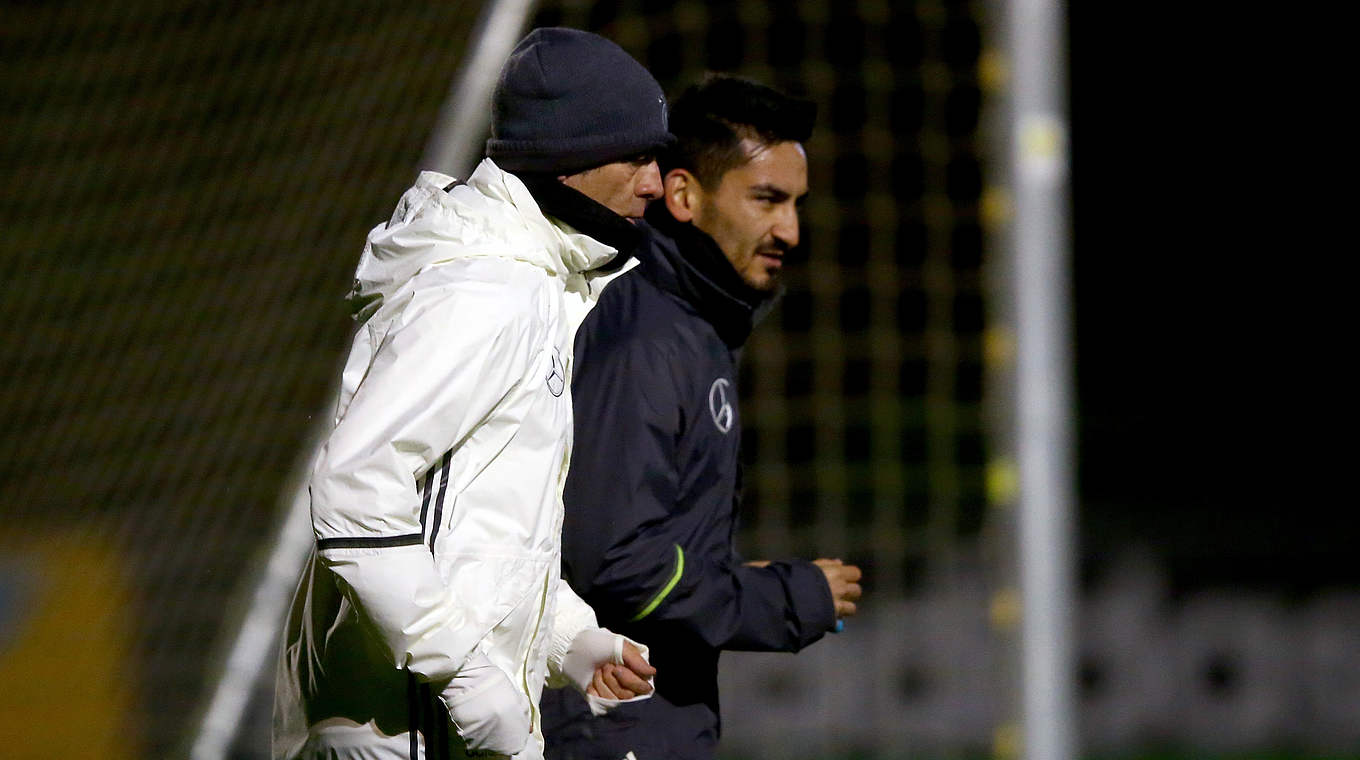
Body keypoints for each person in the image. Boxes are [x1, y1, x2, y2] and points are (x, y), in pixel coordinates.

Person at [273, 28, 677, 760]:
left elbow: (473, 527)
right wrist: (467, 677)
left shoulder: (532, 282)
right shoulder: (487, 289)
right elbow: (355, 486)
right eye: (636, 155)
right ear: (568, 153)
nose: (656, 182)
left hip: (414, 722)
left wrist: (566, 637)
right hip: (397, 734)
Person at [541, 75, 864, 760]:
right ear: (685, 195)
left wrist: (729, 573)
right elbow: (614, 562)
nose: (790, 229)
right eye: (767, 200)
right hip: (608, 724)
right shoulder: (649, 332)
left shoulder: (689, 326)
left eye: (796, 204)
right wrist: (784, 598)